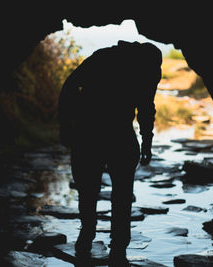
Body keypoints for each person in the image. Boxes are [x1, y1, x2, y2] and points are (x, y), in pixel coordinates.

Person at [58, 40, 162, 266]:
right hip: (118, 135)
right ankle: (118, 247)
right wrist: (146, 142)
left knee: (88, 188)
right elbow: (146, 107)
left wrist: (67, 127)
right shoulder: (148, 67)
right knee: (122, 193)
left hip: (89, 133)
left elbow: (69, 86)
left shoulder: (102, 57)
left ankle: (88, 235)